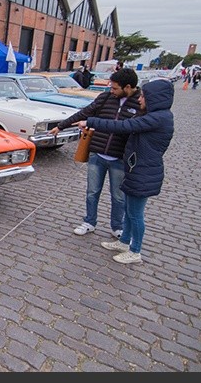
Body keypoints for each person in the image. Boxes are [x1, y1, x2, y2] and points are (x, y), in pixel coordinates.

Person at [74, 78, 174, 264]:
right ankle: (124, 241)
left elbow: (122, 126)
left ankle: (135, 251)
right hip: (135, 169)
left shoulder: (158, 118)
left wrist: (91, 121)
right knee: (129, 211)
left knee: (136, 214)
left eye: (144, 96)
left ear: (155, 99)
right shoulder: (152, 115)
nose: (140, 99)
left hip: (143, 172)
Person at [49, 67, 142, 239]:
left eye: (115, 88)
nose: (111, 91)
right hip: (97, 154)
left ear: (128, 87)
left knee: (119, 197)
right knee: (92, 192)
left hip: (120, 158)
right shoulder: (105, 97)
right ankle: (89, 222)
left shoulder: (140, 103)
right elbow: (85, 112)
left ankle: (117, 227)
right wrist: (60, 126)